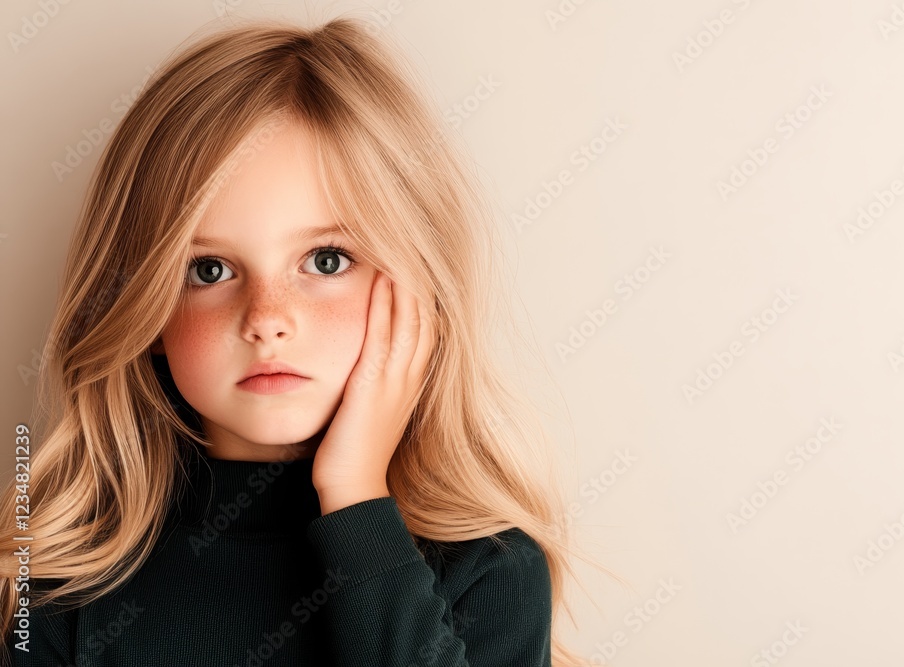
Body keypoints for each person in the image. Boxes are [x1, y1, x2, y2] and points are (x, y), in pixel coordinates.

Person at [0, 14, 617, 667]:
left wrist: (356, 496)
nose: (267, 318)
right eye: (209, 270)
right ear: (143, 308)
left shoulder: (490, 571)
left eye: (325, 260)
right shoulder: (63, 580)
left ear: (418, 288)